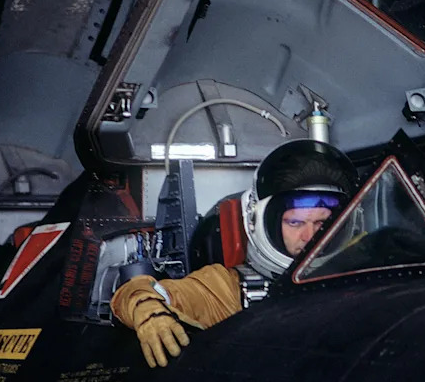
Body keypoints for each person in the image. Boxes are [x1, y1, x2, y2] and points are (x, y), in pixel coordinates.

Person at [110, 139, 357, 368]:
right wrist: (146, 308)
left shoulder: (361, 274)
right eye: (295, 223)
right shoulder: (224, 290)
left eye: (323, 224)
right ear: (258, 222)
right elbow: (139, 290)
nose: (310, 236)